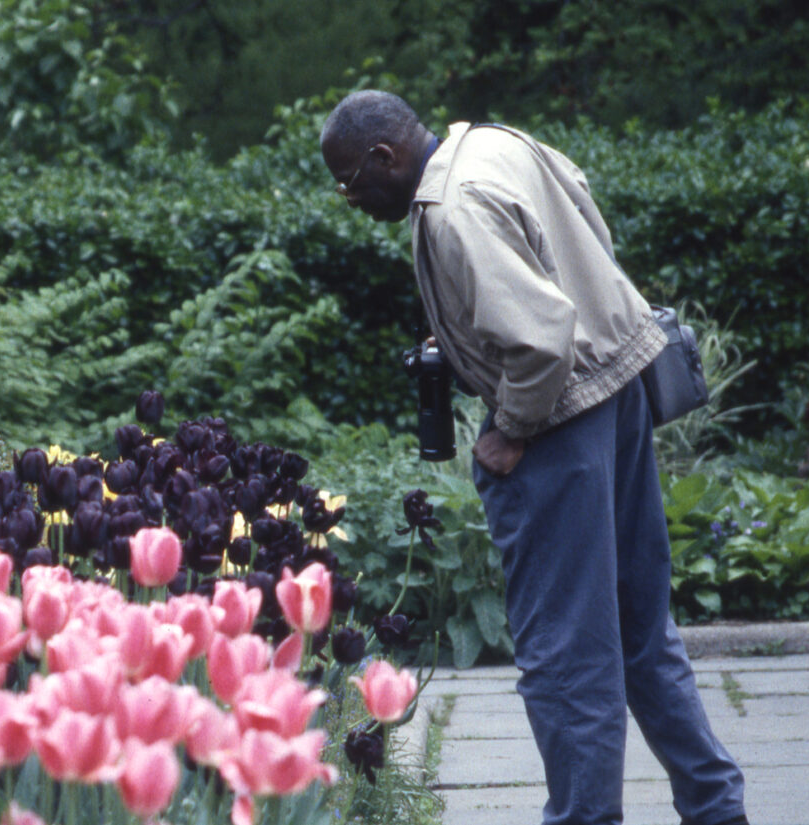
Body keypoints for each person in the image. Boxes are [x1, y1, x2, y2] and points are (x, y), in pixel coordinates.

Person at [318, 90, 749, 825]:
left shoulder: (453, 206)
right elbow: (580, 227)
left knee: (565, 653)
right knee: (642, 632)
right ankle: (716, 809)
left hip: (559, 421)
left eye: (350, 180)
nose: (349, 197)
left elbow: (542, 338)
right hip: (619, 392)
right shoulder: (494, 142)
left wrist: (511, 429)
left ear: (385, 157)